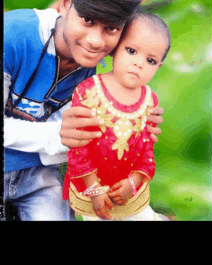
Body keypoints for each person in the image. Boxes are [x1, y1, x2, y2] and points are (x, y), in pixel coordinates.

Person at [3, 0, 164, 221]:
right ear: (65, 5)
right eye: (87, 20)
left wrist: (136, 120)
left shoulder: (106, 69)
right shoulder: (12, 34)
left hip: (40, 172)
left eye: (111, 28)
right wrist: (58, 134)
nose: (95, 41)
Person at [63, 11, 171, 221]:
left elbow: (146, 148)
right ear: (114, 49)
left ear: (158, 67)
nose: (139, 63)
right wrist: (94, 189)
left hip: (130, 190)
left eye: (150, 60)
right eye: (131, 51)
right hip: (92, 190)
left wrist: (134, 181)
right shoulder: (88, 91)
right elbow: (79, 148)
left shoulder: (150, 100)